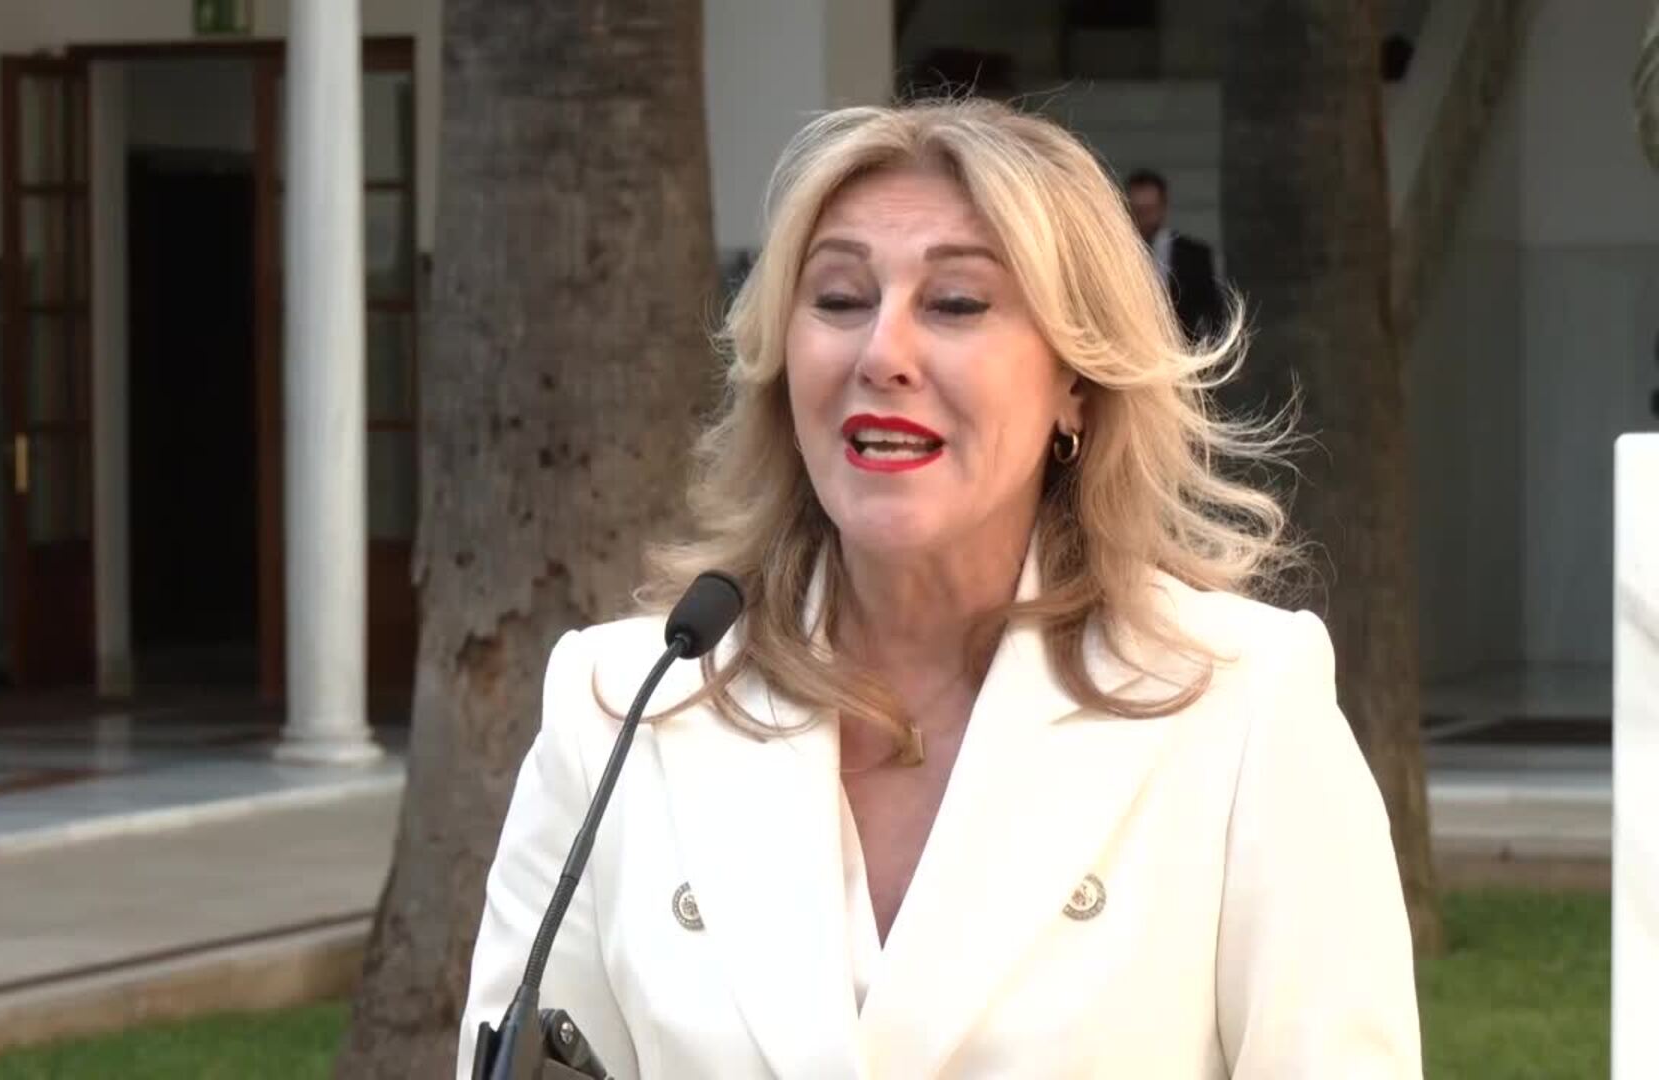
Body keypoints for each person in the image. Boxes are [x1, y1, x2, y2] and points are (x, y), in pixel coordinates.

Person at [458, 100, 1420, 1078]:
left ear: (1077, 382)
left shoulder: (1242, 704)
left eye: (957, 303)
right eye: (840, 298)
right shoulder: (619, 709)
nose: (882, 354)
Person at [1125, 167, 1228, 343]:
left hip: (1182, 345)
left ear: (1162, 208)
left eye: (1149, 210)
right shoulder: (1115, 254)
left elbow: (1212, 312)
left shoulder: (1194, 256)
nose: (1144, 219)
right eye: (1138, 211)